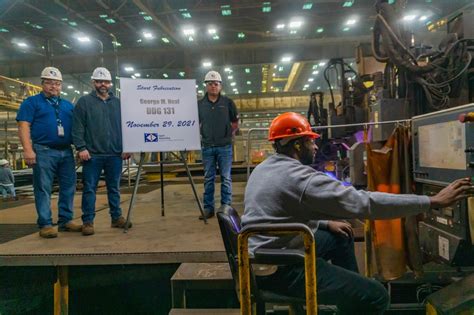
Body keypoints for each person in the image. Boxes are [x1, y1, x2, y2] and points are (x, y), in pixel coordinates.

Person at [241, 112, 471, 314]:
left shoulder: (265, 168)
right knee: (376, 296)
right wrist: (431, 201)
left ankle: (351, 296)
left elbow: (281, 210)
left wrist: (323, 223)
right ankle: (360, 297)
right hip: (281, 267)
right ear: (297, 145)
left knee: (339, 236)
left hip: (264, 254)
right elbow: (364, 204)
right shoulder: (298, 178)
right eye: (310, 142)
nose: (315, 147)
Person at [16, 67, 81, 238]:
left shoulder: (67, 105)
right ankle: (45, 224)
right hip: (43, 151)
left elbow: (77, 129)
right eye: (50, 83)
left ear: (61, 85)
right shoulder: (31, 103)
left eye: (57, 83)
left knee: (68, 187)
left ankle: (66, 220)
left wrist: (80, 148)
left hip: (66, 152)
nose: (54, 86)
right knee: (43, 188)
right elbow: (23, 126)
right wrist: (28, 150)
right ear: (42, 84)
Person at [72, 67, 130, 236]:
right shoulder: (84, 102)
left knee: (114, 187)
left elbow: (127, 126)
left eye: (105, 82)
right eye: (99, 81)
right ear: (93, 83)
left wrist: (127, 146)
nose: (102, 84)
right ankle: (88, 221)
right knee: (89, 188)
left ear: (110, 83)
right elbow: (77, 127)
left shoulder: (118, 103)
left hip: (114, 153)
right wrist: (81, 147)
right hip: (93, 155)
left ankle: (116, 217)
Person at [198, 70, 239, 219]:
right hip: (207, 146)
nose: (213, 86)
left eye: (216, 84)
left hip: (224, 147)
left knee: (226, 178)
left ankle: (226, 207)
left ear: (220, 86)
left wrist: (228, 135)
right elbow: (196, 123)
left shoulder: (228, 103)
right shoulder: (200, 105)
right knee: (208, 178)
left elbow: (235, 122)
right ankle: (208, 209)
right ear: (206, 86)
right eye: (210, 84)